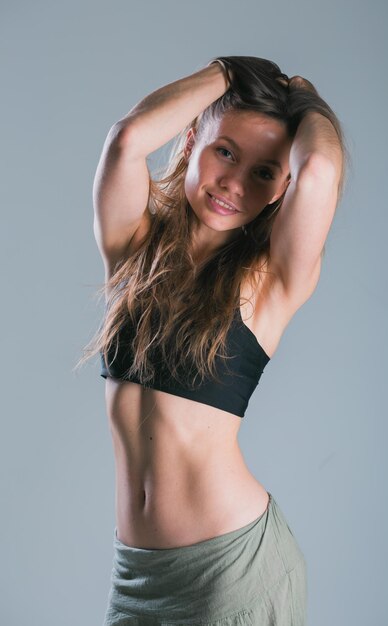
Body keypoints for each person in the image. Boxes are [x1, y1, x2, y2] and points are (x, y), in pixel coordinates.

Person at [75, 55, 349, 625]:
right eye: (226, 151)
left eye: (264, 172)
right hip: (137, 574)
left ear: (281, 189)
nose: (233, 183)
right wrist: (228, 73)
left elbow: (319, 168)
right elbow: (126, 139)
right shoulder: (133, 251)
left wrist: (305, 101)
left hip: (231, 571)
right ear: (191, 138)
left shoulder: (270, 282)